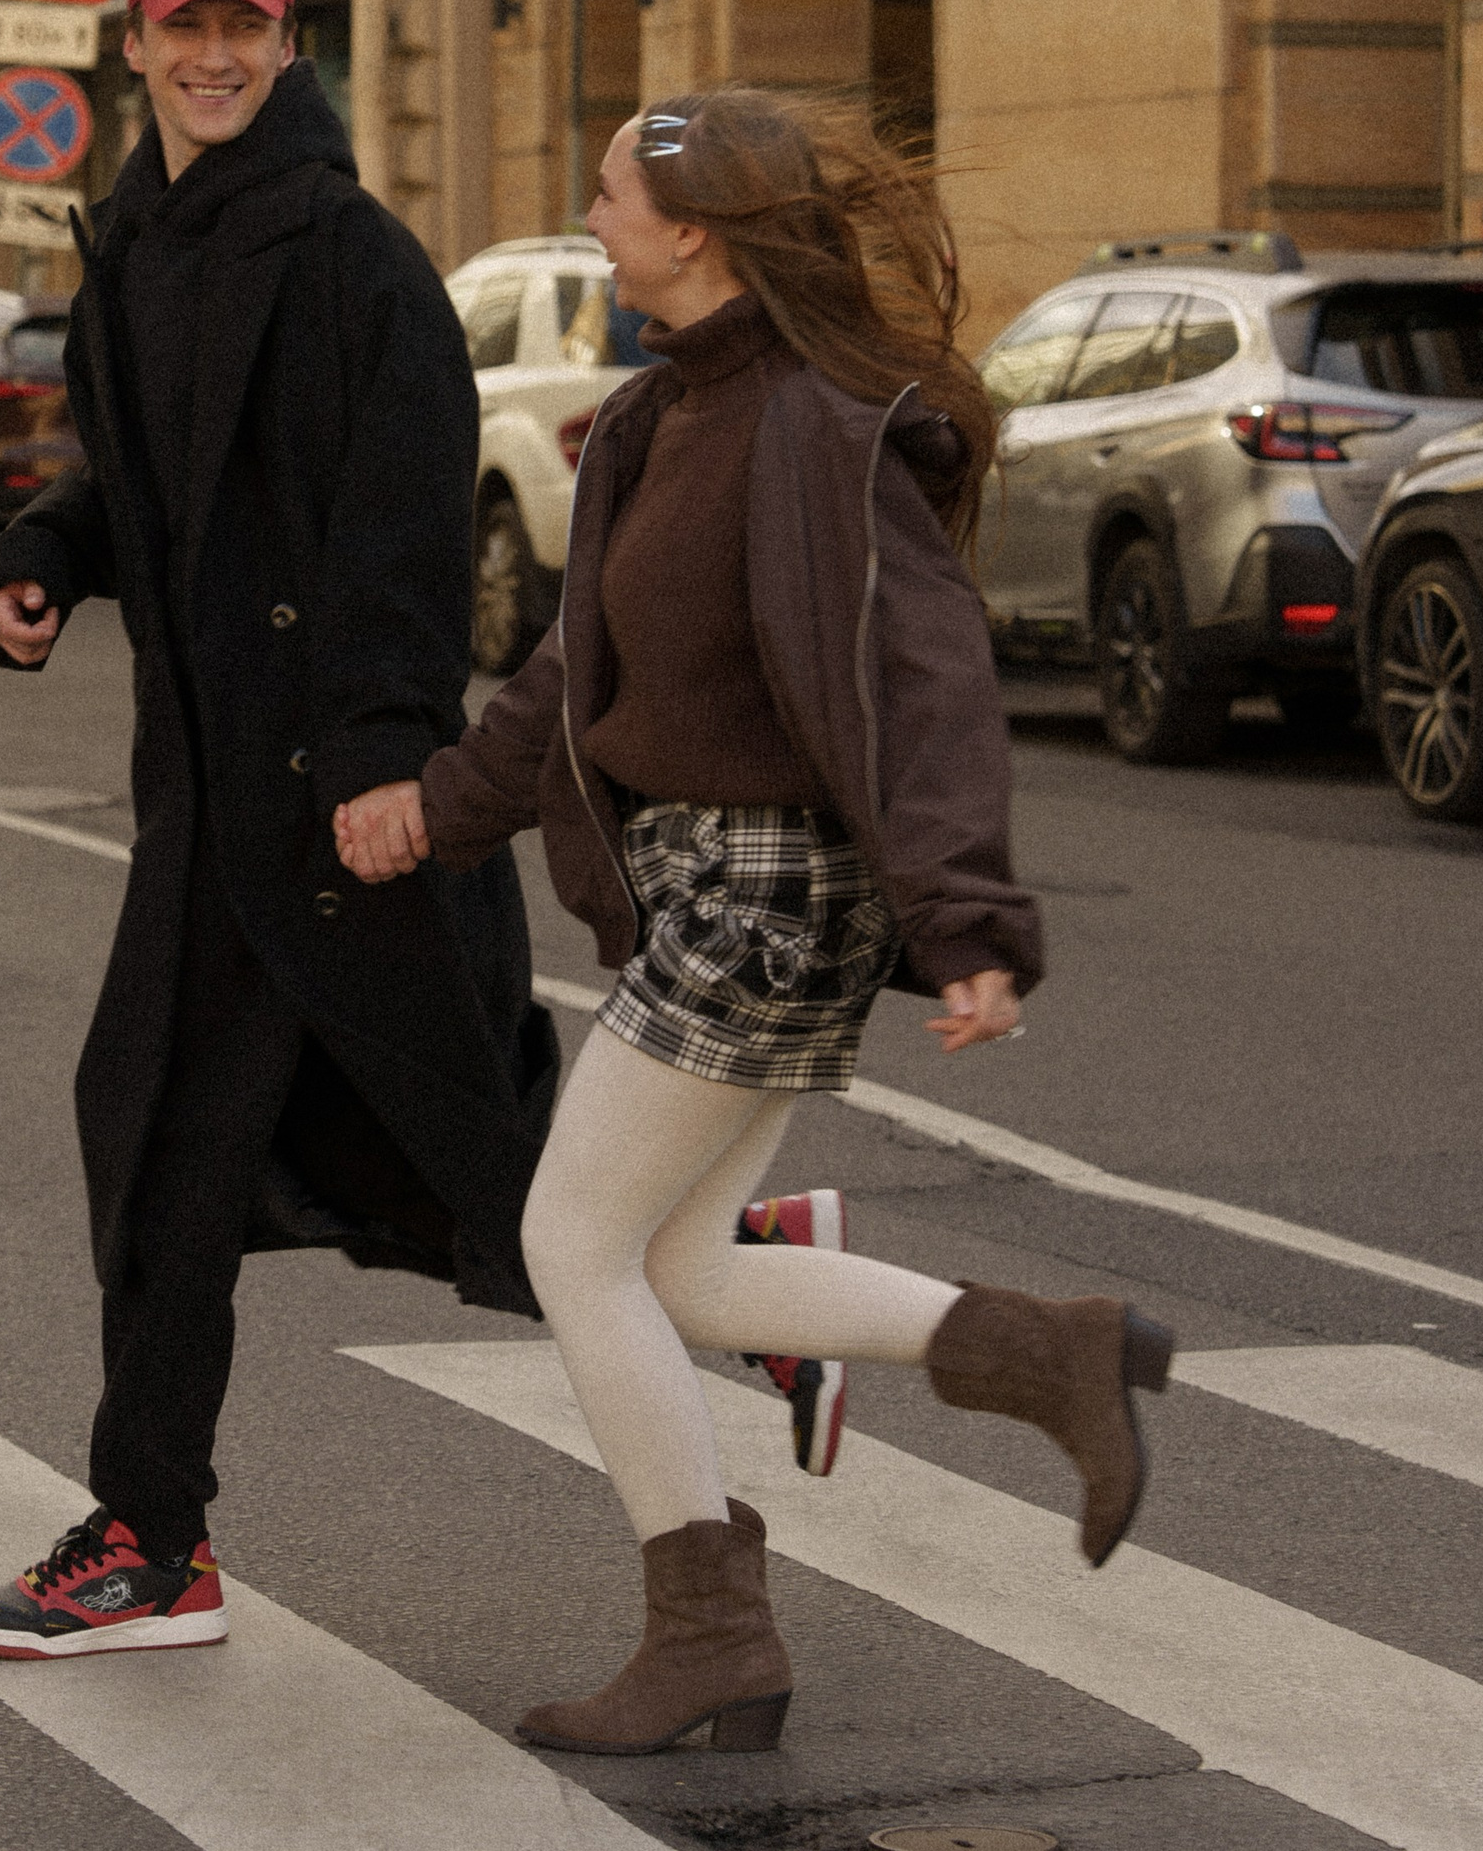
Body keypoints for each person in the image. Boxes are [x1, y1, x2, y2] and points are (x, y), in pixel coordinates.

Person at [337, 87, 1176, 1757]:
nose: (593, 222)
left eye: (608, 197)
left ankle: (710, 1629)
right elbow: (579, 670)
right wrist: (440, 802)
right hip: (714, 884)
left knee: (571, 1244)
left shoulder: (813, 424)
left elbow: (924, 675)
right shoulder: (666, 415)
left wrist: (971, 918)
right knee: (678, 1264)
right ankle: (1045, 1353)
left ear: (694, 227)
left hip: (770, 892)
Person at [0, 0, 557, 1662]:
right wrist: (45, 551)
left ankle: (759, 1279)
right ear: (134, 45)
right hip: (216, 810)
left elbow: (402, 521)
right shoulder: (139, 242)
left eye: (245, 26)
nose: (214, 55)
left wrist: (381, 751)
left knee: (483, 1168)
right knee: (173, 1150)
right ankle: (153, 1538)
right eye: (184, 26)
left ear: (288, 44)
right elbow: (156, 487)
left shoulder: (356, 260)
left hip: (342, 811)